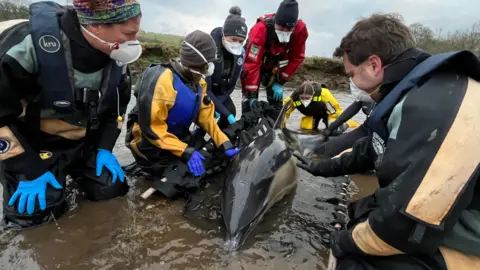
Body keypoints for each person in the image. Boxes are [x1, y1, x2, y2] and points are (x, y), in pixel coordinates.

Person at [294, 13, 480, 269]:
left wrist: (345, 241)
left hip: (472, 240)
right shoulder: (422, 89)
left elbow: (402, 226)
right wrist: (321, 167)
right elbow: (372, 149)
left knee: (353, 261)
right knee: (359, 212)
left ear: (373, 65)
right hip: (457, 212)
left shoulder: (433, 107)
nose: (352, 83)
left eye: (352, 74)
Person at [0, 0, 140, 228]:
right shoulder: (24, 49)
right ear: (96, 26)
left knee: (111, 188)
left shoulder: (118, 55)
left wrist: (105, 148)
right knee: (33, 216)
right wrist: (27, 167)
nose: (134, 42)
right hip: (32, 145)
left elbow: (118, 108)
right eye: (128, 33)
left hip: (84, 144)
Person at [125, 30, 240, 183]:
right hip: (148, 141)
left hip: (175, 136)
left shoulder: (198, 82)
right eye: (206, 66)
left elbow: (207, 118)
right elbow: (152, 129)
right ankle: (142, 168)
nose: (208, 71)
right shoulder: (162, 82)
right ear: (195, 64)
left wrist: (224, 143)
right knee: (182, 179)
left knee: (209, 161)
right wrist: (185, 151)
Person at [240, 0, 308, 121]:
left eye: (288, 29)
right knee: (250, 108)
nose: (284, 31)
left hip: (274, 68)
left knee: (276, 108)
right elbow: (252, 63)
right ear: (276, 21)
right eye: (281, 27)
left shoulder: (300, 31)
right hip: (254, 65)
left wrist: (280, 82)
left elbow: (296, 57)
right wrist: (251, 95)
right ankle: (247, 129)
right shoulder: (260, 30)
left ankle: (275, 132)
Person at [204, 6, 247, 130]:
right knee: (205, 121)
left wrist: (223, 107)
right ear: (223, 34)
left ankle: (219, 143)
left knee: (231, 112)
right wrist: (219, 108)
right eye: (233, 39)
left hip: (222, 92)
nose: (236, 44)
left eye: (241, 41)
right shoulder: (209, 52)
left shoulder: (241, 54)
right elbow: (205, 89)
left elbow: (232, 85)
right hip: (205, 93)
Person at [283, 81, 359, 132]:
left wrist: (333, 125)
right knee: (306, 130)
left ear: (312, 94)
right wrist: (282, 127)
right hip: (311, 114)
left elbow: (334, 111)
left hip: (328, 113)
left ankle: (351, 124)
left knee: (334, 127)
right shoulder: (293, 98)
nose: (304, 100)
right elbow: (283, 113)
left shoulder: (324, 94)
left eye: (307, 98)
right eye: (302, 98)